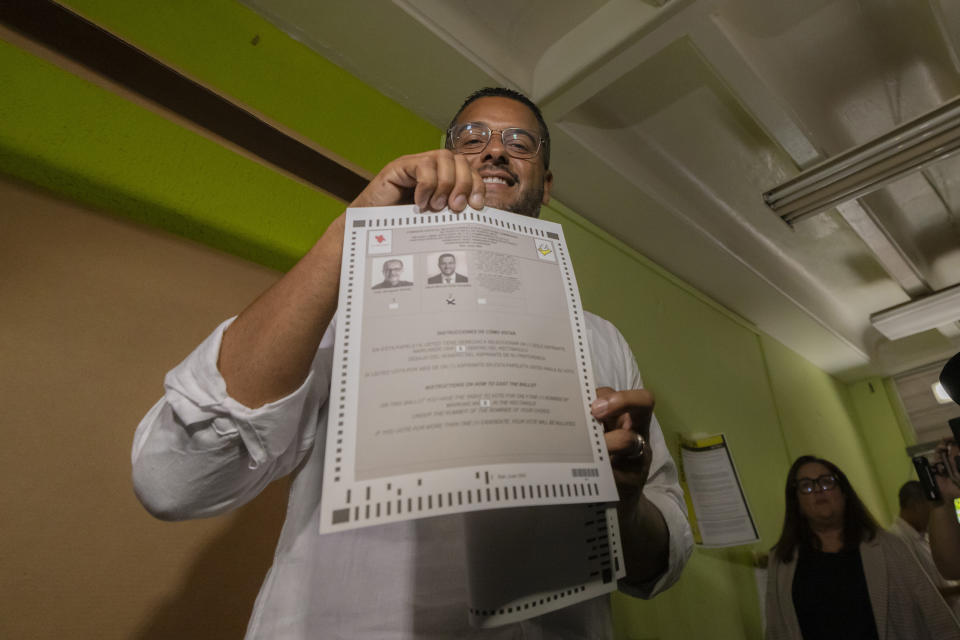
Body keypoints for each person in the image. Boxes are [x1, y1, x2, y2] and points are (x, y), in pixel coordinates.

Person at [131, 87, 693, 638]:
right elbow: (174, 483)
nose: (495, 150)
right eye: (473, 138)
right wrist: (353, 229)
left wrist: (622, 510)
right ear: (446, 158)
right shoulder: (347, 304)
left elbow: (662, 559)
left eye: (519, 142)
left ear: (545, 185)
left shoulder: (604, 343)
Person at [765, 455, 959, 640]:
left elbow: (936, 614)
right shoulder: (782, 560)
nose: (818, 490)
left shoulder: (888, 546)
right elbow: (775, 629)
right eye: (806, 486)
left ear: (844, 493)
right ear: (796, 502)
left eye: (826, 482)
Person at [889, 481, 960, 614]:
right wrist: (956, 590)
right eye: (930, 507)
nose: (934, 513)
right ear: (914, 505)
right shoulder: (896, 542)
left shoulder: (926, 534)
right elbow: (913, 595)